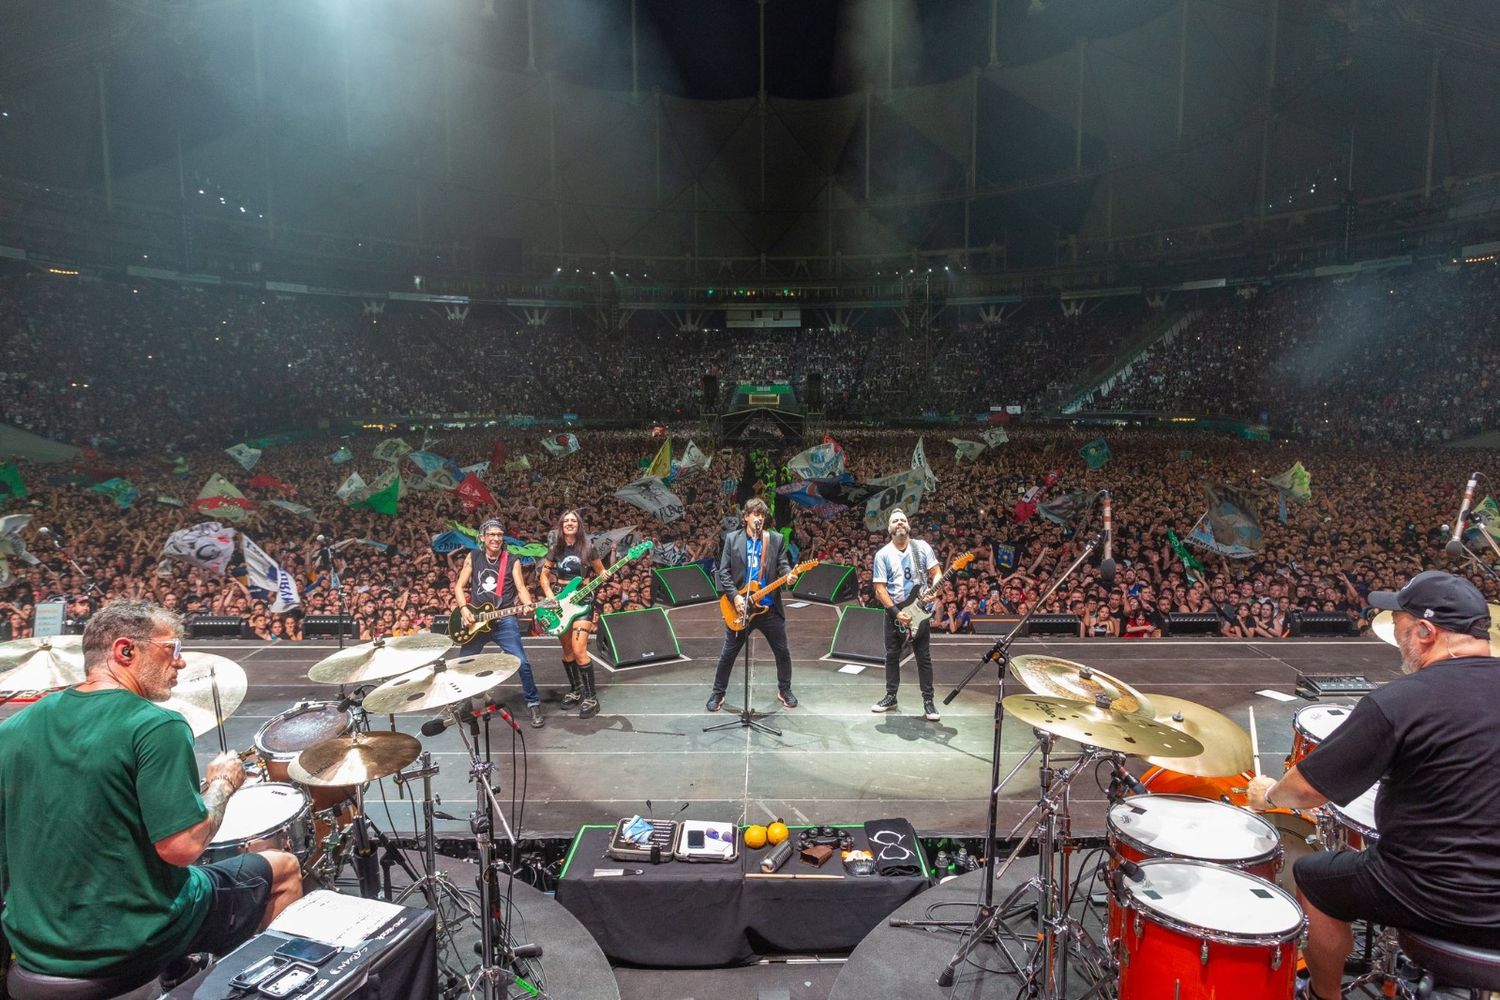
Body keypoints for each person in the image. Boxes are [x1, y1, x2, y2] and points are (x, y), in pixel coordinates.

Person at [0, 600, 302, 986]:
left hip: (33, 945)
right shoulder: (154, 725)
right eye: (172, 649)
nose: (180, 663)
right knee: (281, 868)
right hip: (130, 942)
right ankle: (245, 989)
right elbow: (182, 849)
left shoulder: (13, 729)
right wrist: (222, 783)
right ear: (125, 650)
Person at [1247, 571, 1500, 1000]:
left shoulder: (1400, 702)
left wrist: (1267, 794)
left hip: (1432, 893)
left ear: (1425, 630)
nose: (1395, 638)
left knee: (1314, 877)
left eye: (1399, 627)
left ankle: (1323, 995)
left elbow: (1306, 791)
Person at [706, 498, 799, 712]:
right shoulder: (732, 539)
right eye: (755, 514)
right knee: (728, 653)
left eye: (762, 515)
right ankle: (718, 693)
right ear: (746, 516)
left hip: (769, 607)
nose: (759, 518)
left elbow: (783, 566)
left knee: (782, 651)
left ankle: (784, 689)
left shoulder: (774, 539)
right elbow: (724, 572)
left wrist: (789, 575)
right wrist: (735, 598)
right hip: (740, 607)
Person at [454, 517, 545, 727]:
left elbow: (521, 588)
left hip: (504, 618)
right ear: (483, 538)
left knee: (521, 662)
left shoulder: (511, 560)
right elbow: (459, 586)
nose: (496, 538)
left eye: (499, 535)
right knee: (463, 662)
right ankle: (465, 701)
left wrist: (528, 604)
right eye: (491, 535)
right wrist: (464, 608)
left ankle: (533, 703)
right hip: (477, 620)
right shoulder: (473, 556)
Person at [871, 509, 943, 721]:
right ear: (889, 528)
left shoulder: (921, 547)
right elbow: (879, 588)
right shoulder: (883, 554)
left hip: (919, 609)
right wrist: (895, 612)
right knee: (892, 654)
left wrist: (935, 589)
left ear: (908, 525)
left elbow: (936, 572)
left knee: (923, 656)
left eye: (903, 519)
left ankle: (928, 701)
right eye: (895, 521)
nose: (900, 523)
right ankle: (891, 696)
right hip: (895, 609)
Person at [540, 509, 608, 720]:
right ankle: (576, 689)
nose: (570, 523)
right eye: (566, 521)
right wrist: (550, 596)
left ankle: (591, 697)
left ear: (579, 525)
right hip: (561, 601)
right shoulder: (556, 548)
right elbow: (544, 575)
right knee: (568, 651)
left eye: (573, 521)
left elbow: (600, 571)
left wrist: (604, 576)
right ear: (561, 526)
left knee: (580, 650)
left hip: (583, 602)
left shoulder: (589, 548)